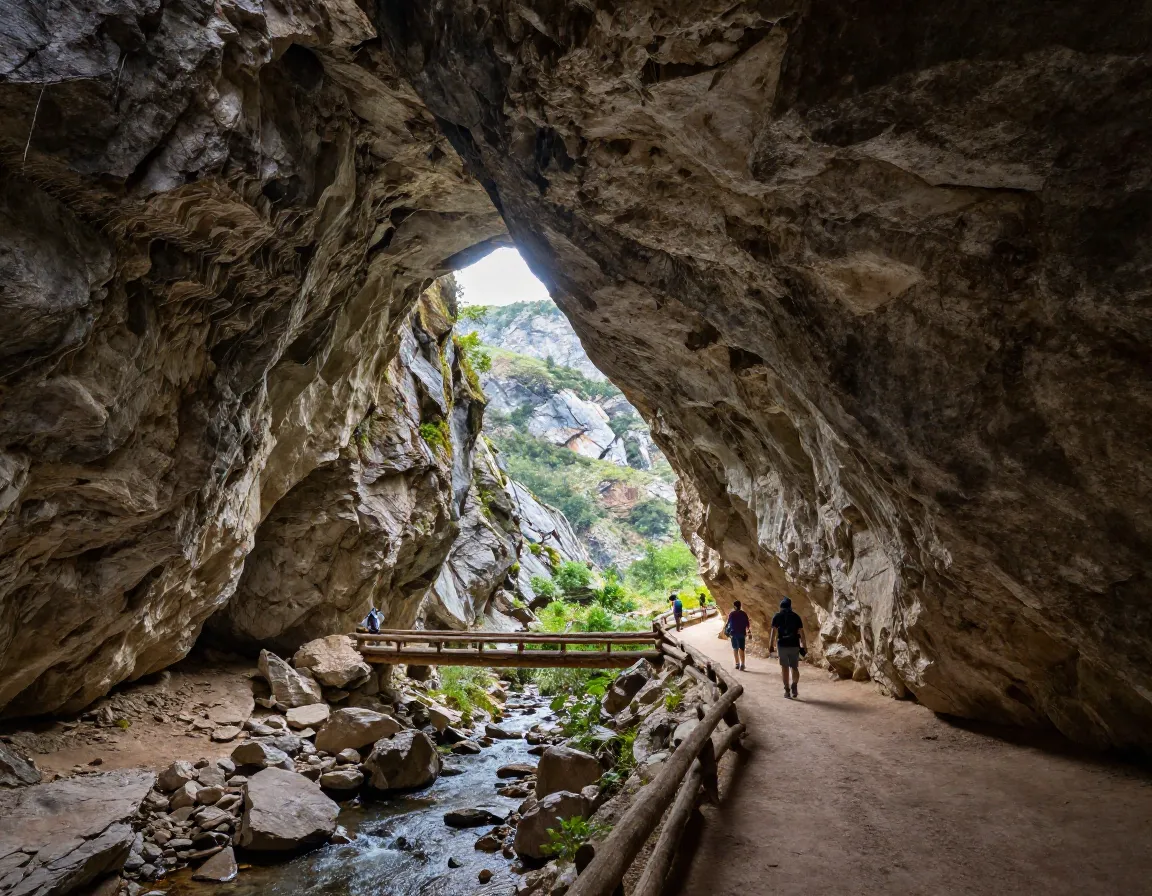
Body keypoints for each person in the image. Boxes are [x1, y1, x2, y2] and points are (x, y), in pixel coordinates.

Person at [768, 597, 806, 698]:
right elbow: (802, 633)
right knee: (794, 667)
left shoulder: (777, 616)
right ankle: (794, 685)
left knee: (784, 668)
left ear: (781, 607)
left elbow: (773, 631)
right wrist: (804, 646)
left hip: (782, 645)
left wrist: (770, 645)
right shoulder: (796, 617)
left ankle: (787, 690)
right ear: (790, 606)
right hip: (794, 644)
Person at [726, 600, 751, 670]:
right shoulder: (744, 614)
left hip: (733, 633)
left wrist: (727, 631)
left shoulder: (732, 614)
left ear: (734, 606)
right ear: (740, 606)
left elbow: (728, 623)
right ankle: (742, 665)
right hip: (741, 633)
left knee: (735, 649)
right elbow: (747, 625)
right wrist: (749, 632)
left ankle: (737, 664)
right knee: (741, 649)